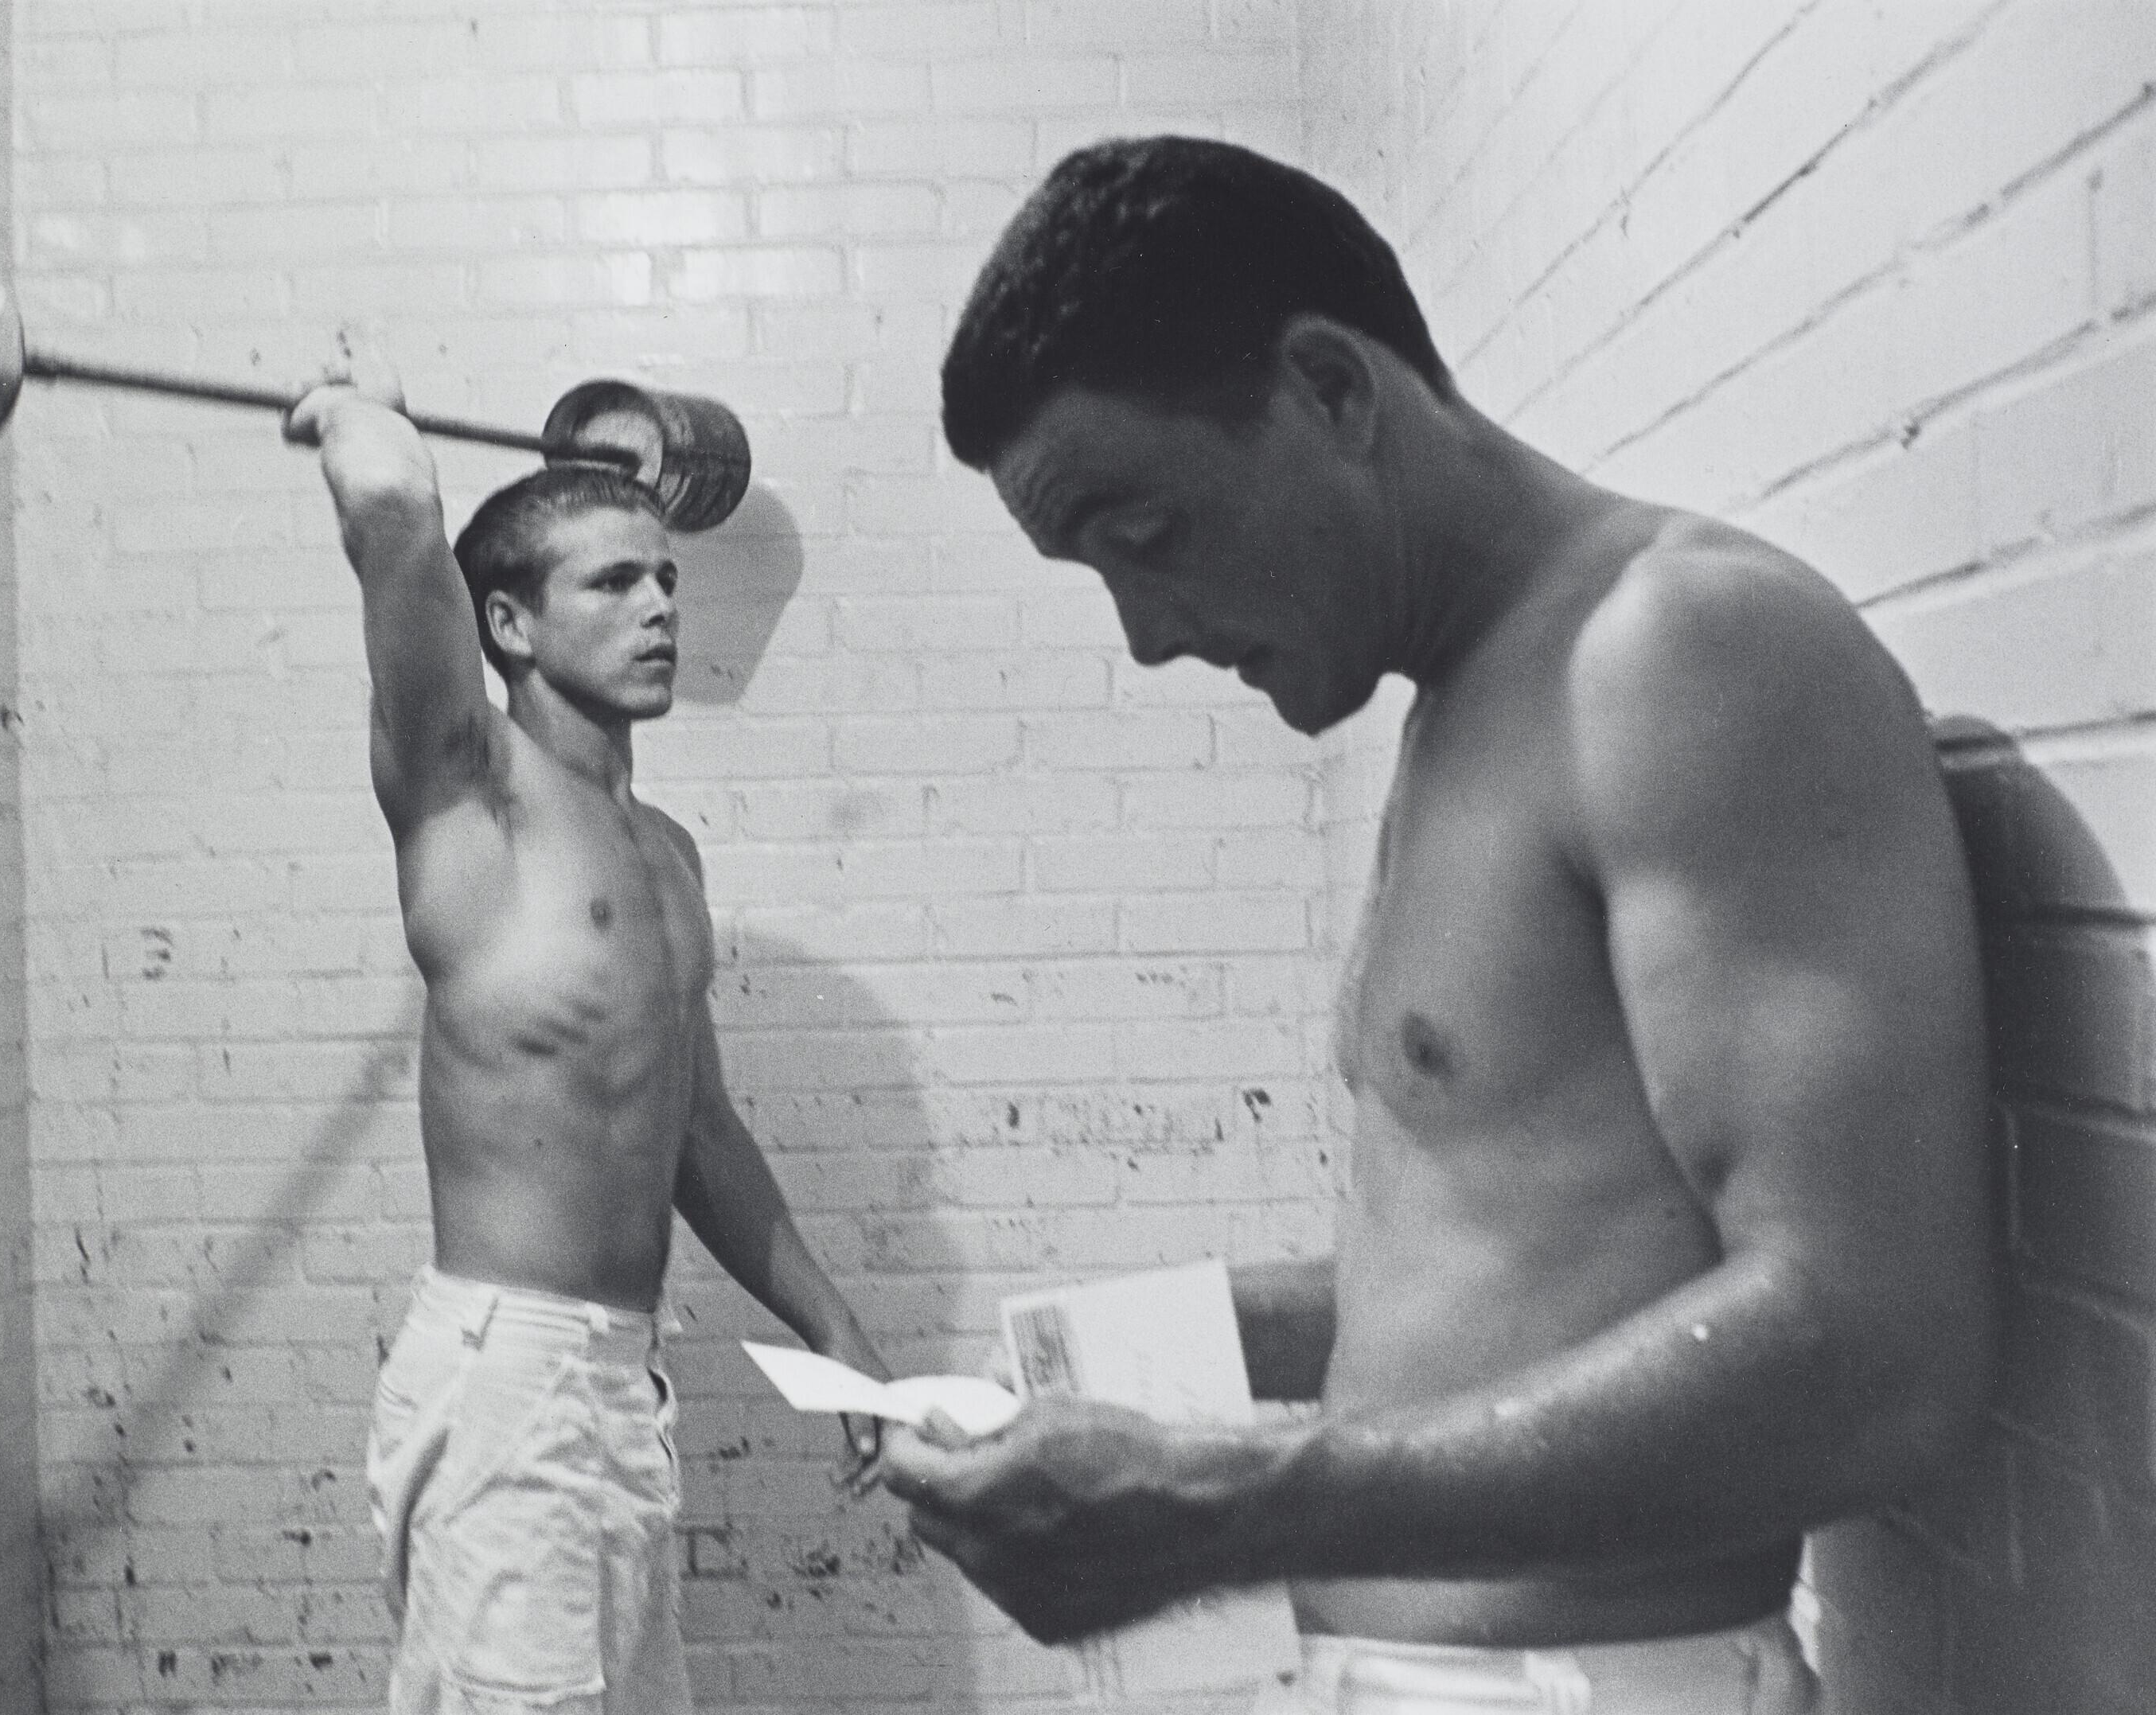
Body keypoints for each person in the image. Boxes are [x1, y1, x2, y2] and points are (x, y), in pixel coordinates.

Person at [879, 136, 1992, 1713]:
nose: (1142, 637)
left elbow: (1881, 1359)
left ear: (1333, 388)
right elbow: (1524, 1260)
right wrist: (1119, 1359)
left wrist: (1230, 1505)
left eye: (1145, 536)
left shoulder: (1681, 648)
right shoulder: (1467, 692)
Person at [286, 338, 887, 1715]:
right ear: (509, 626)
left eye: (667, 577)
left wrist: (834, 1327)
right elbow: (397, 535)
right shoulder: (468, 796)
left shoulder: (668, 854)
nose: (660, 607)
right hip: (507, 1382)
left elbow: (701, 1131)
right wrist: (357, 426)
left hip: (624, 1387)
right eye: (614, 581)